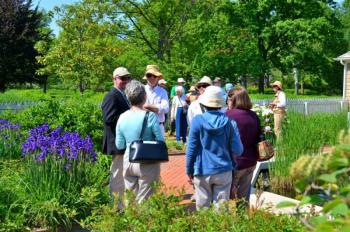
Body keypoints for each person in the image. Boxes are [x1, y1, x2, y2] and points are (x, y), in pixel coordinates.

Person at [186, 86, 243, 210]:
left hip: (201, 170)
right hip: (224, 170)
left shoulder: (197, 121)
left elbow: (191, 149)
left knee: (203, 209)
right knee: (221, 211)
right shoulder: (230, 122)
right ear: (220, 104)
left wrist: (189, 170)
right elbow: (238, 150)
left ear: (204, 104)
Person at [115, 80, 164, 203]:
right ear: (144, 96)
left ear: (128, 97)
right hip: (147, 161)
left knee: (130, 199)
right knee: (145, 201)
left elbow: (119, 144)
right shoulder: (150, 116)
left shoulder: (122, 117)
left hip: (128, 160)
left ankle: (129, 221)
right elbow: (160, 140)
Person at [101, 67, 131, 208]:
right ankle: (116, 207)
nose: (125, 81)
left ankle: (122, 205)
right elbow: (109, 118)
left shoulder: (122, 94)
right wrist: (129, 115)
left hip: (122, 142)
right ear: (114, 79)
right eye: (122, 78)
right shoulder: (111, 95)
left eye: (127, 78)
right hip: (116, 142)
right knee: (117, 175)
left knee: (123, 175)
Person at [226, 87, 261, 206]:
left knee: (225, 199)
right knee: (243, 199)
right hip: (251, 161)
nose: (227, 101)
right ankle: (243, 220)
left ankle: (225, 224)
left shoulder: (228, 115)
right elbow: (258, 137)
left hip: (235, 162)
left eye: (229, 99)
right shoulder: (253, 116)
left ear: (234, 100)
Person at [143, 65, 169, 135]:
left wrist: (147, 106)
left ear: (158, 78)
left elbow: (166, 108)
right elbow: (136, 108)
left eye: (154, 76)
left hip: (159, 126)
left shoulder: (163, 91)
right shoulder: (141, 89)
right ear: (146, 77)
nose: (152, 77)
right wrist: (157, 107)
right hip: (143, 126)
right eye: (149, 75)